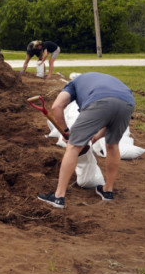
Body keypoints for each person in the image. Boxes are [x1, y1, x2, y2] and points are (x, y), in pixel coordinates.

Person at [37, 72, 135, 209]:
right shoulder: (100, 80)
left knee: (73, 147)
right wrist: (95, 136)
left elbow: (56, 106)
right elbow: (110, 114)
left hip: (99, 101)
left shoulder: (72, 84)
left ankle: (58, 197)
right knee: (112, 145)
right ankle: (108, 190)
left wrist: (66, 132)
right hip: (127, 102)